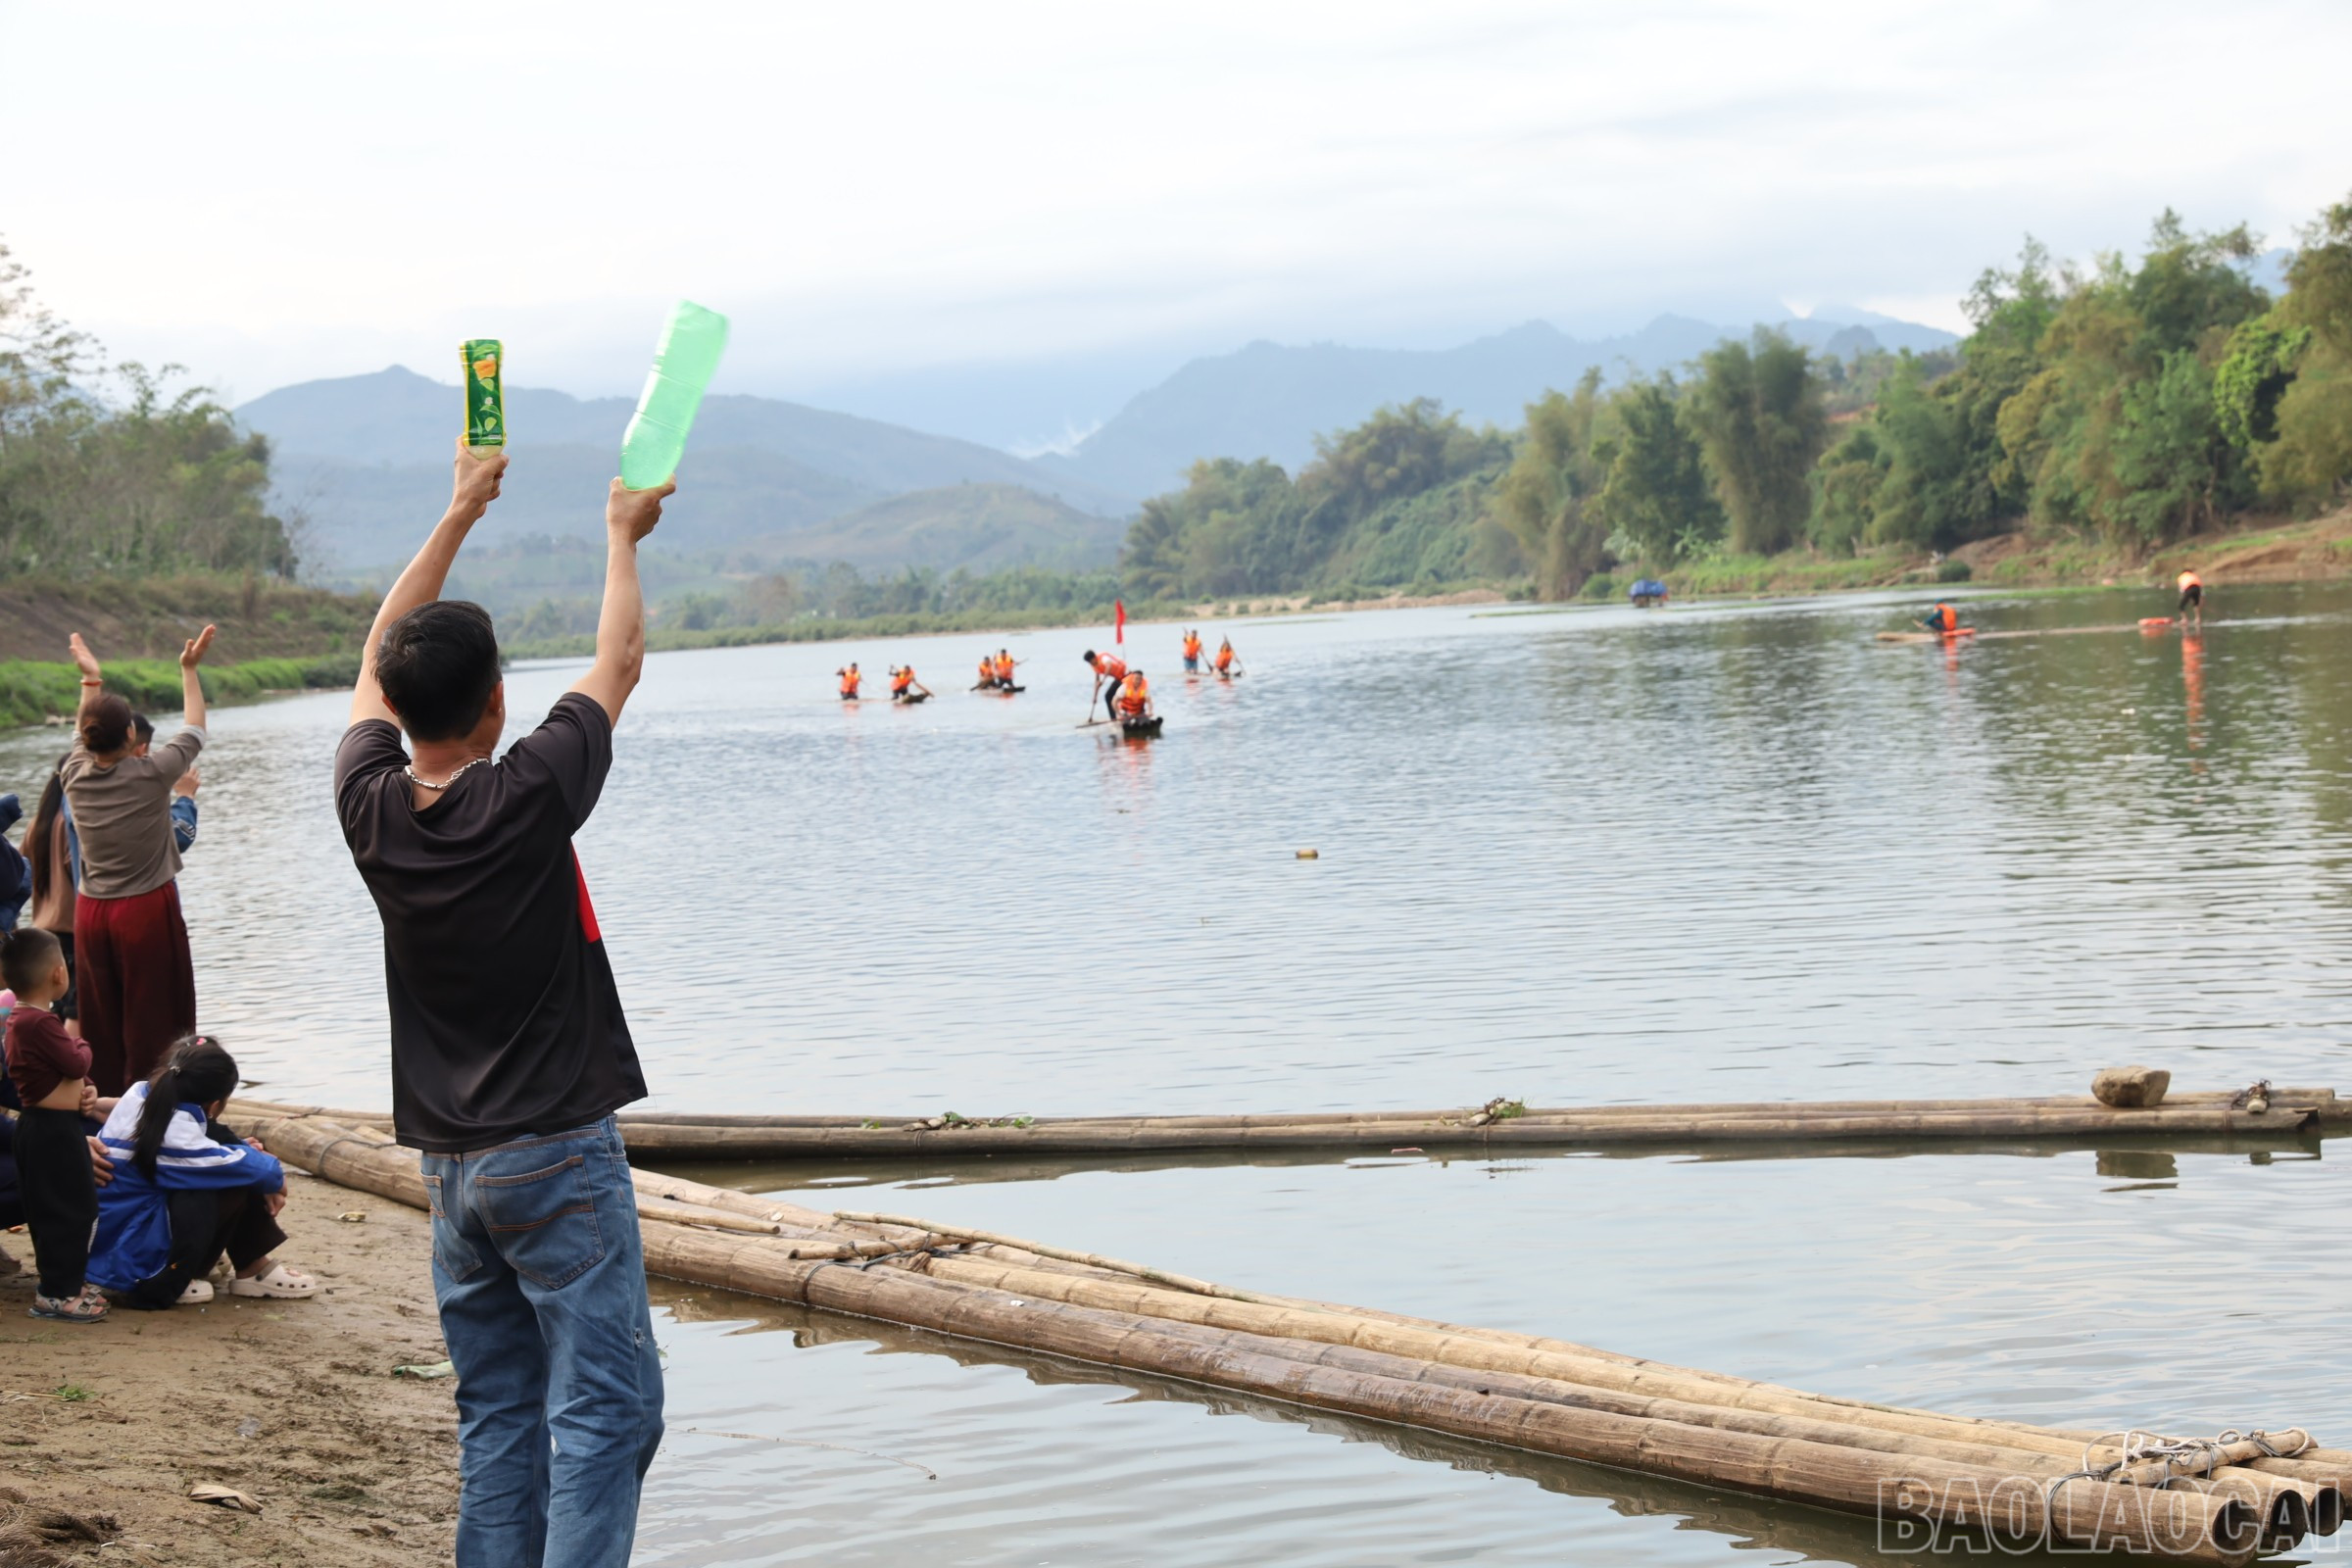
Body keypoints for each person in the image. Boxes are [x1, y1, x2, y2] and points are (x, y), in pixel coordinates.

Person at [333, 440, 665, 1567]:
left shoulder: (370, 806)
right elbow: (618, 656)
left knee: (502, 1417)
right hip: (556, 1158)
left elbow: (379, 663)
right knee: (608, 1414)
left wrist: (456, 513)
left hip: (454, 1174)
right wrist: (619, 534)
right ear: (496, 704)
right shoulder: (528, 796)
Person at [61, 628, 213, 1095]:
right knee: (156, 1014)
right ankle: (156, 1106)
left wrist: (91, 680)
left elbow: (81, 733)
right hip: (144, 910)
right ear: (131, 734)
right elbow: (196, 728)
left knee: (101, 1016)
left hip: (91, 913)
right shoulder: (154, 773)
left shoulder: (72, 774)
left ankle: (101, 1102)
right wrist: (188, 670)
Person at [87, 1034, 312, 1308]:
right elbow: (259, 1171)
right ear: (215, 1104)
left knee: (229, 1164)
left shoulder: (139, 1096)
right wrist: (270, 1174)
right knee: (231, 1175)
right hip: (137, 1274)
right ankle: (233, 1270)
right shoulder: (176, 1136)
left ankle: (238, 1265)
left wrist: (245, 1152)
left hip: (112, 1249)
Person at [3, 925, 106, 1322]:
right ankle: (57, 1293)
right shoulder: (41, 1023)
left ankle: (66, 1284)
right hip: (52, 1131)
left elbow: (63, 1074)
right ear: (58, 974)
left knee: (60, 1208)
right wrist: (82, 1042)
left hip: (43, 1127)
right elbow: (76, 1061)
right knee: (69, 1211)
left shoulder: (18, 1019)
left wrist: (87, 1091)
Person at [19, 762, 78, 1037]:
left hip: (43, 931)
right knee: (76, 1009)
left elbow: (20, 870)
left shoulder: (37, 824)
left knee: (54, 1005)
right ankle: (72, 1068)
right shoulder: (72, 824)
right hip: (73, 927)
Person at [129, 714, 201, 857]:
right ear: (142, 750)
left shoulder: (82, 778)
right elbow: (180, 836)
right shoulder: (142, 791)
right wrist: (185, 797)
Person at [1083, 649, 1128, 723]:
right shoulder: (1094, 666)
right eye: (1089, 663)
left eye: (1090, 661)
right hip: (1119, 678)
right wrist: (1095, 697)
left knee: (1121, 695)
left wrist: (1103, 681)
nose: (1090, 664)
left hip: (1127, 676)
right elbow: (1097, 682)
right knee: (1108, 696)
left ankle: (1126, 714)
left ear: (1094, 658)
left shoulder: (1103, 657)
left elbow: (1109, 666)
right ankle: (1113, 719)